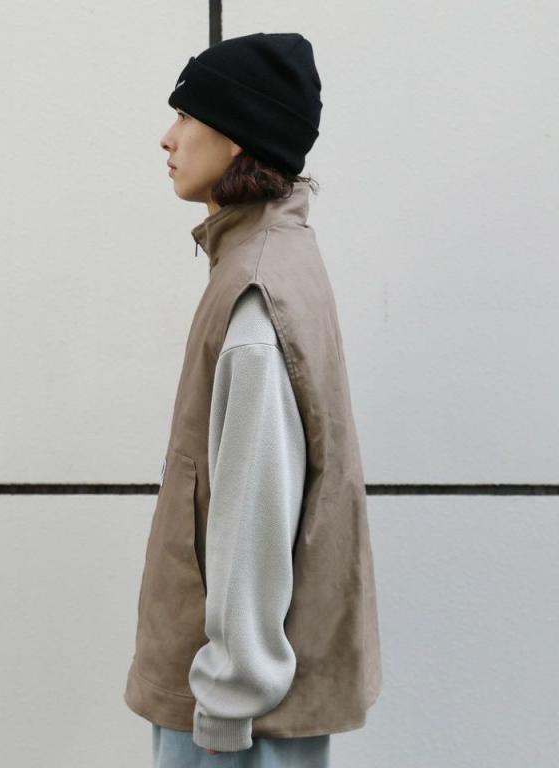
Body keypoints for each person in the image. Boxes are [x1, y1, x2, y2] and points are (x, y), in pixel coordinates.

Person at [124, 32, 382, 768]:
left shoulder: (254, 300)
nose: (167, 137)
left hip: (233, 720)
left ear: (237, 137)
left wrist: (226, 707)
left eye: (186, 116)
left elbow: (252, 516)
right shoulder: (274, 256)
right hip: (240, 703)